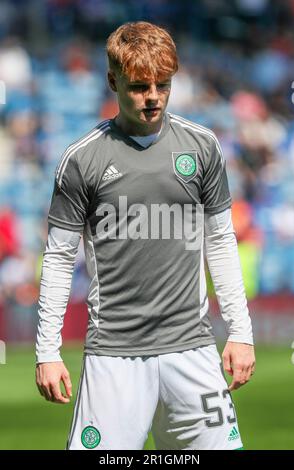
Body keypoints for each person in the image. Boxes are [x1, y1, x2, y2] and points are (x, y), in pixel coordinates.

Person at [35, 21, 255, 450]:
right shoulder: (81, 159)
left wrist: (241, 332)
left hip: (192, 348)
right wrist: (47, 350)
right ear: (112, 80)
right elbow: (59, 258)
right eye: (138, 86)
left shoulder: (203, 147)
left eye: (163, 84)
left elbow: (221, 243)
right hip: (113, 357)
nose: (152, 96)